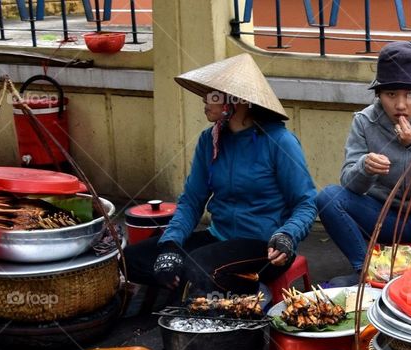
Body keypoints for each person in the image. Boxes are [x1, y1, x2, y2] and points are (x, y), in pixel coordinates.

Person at [125, 53, 317, 305]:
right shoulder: (209, 140)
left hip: (267, 246)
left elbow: (306, 204)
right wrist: (170, 245)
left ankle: (246, 291)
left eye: (213, 94)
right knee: (130, 258)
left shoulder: (280, 142)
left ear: (236, 101)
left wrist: (287, 236)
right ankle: (205, 288)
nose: (205, 100)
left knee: (197, 267)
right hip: (220, 237)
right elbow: (192, 200)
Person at [316, 41, 411, 284]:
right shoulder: (365, 121)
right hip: (383, 218)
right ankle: (366, 272)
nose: (400, 105)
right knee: (328, 197)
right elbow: (348, 182)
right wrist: (364, 167)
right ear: (378, 95)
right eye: (391, 95)